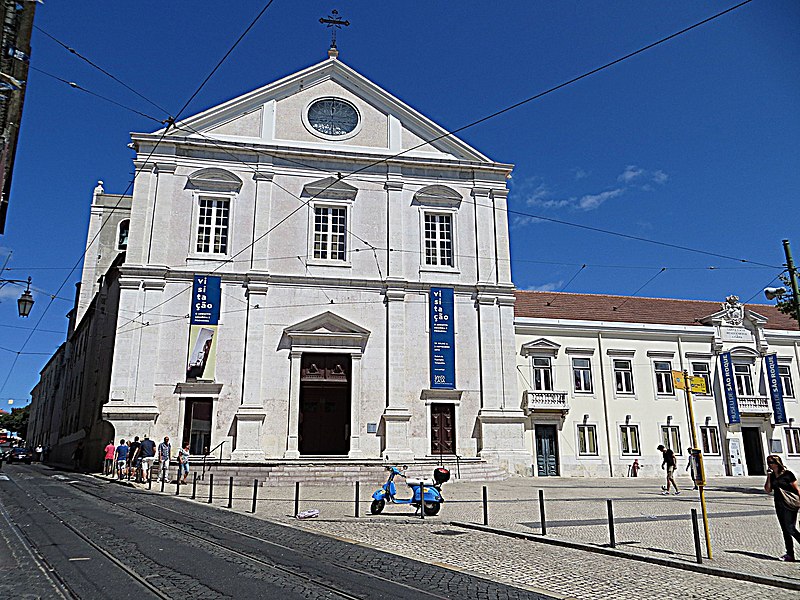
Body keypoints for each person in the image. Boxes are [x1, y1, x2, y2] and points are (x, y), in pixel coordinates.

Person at [764, 454, 800, 562]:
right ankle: (790, 554)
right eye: (768, 462)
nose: (769, 465)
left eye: (771, 462)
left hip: (790, 504)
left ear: (777, 463)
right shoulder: (772, 476)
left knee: (790, 528)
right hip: (779, 504)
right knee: (784, 529)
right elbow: (768, 490)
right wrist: (769, 476)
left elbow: (797, 489)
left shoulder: (788, 474)